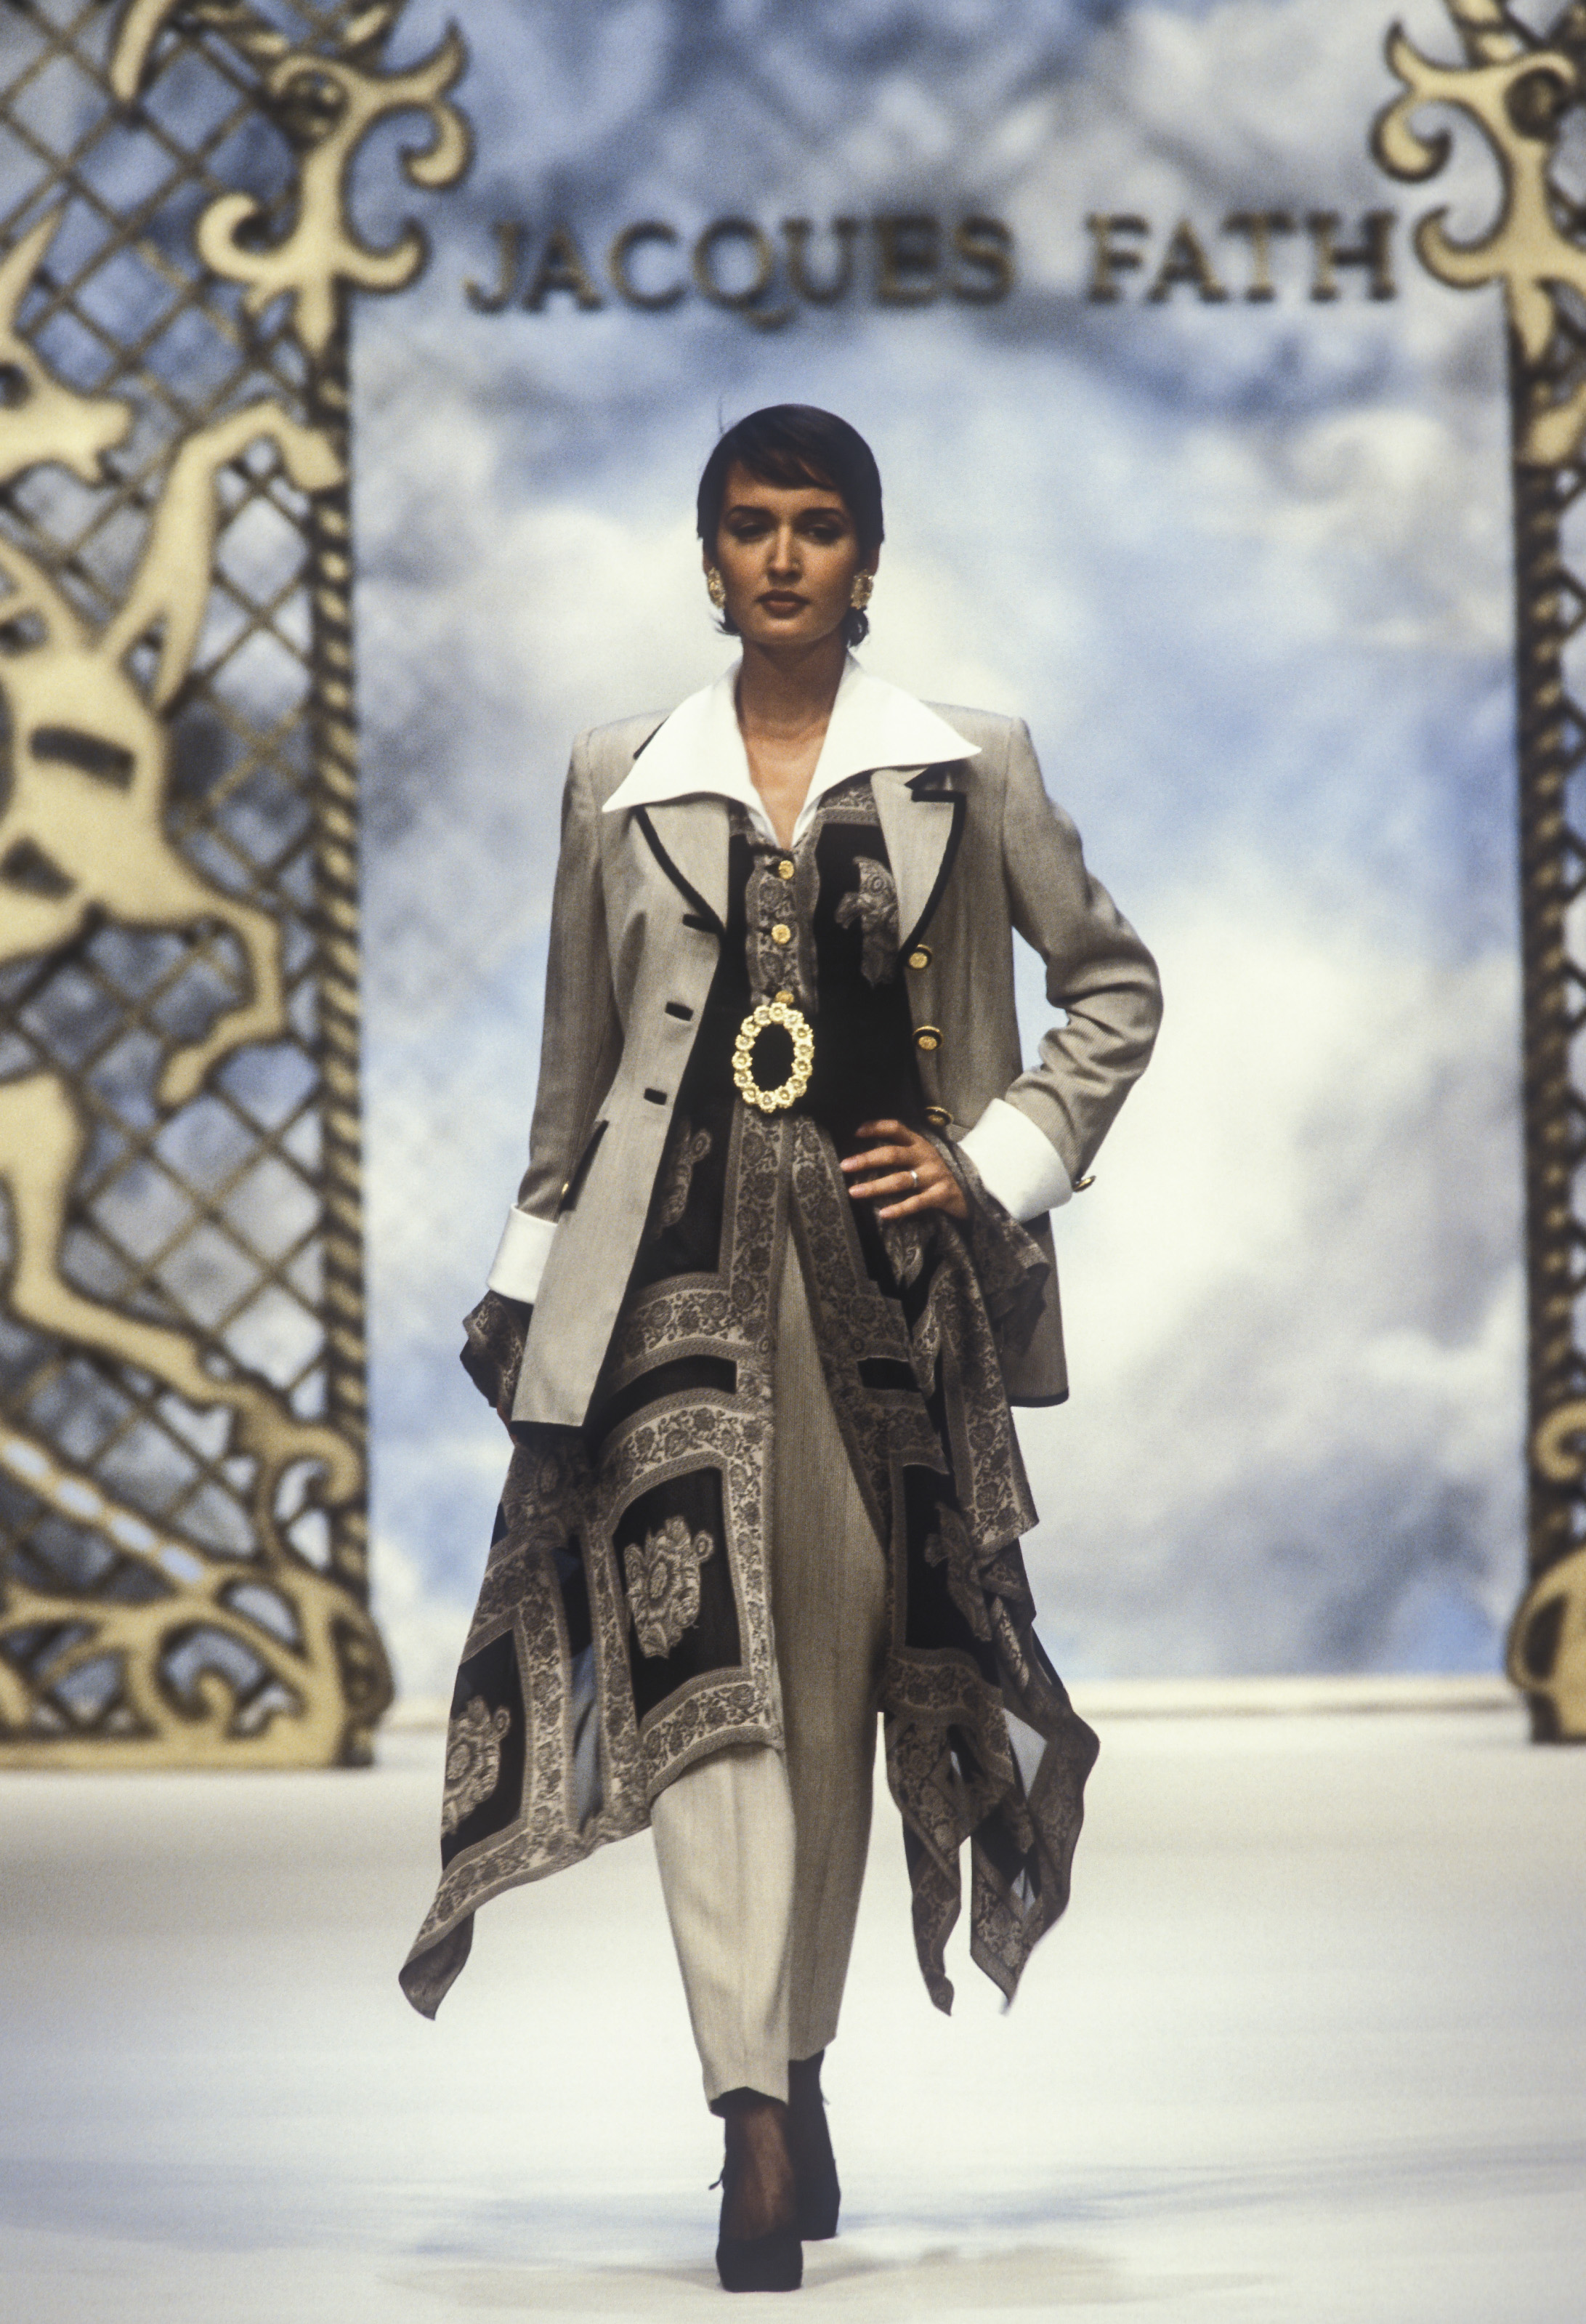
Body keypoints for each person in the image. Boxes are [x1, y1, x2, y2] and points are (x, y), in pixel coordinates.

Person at [400, 406, 1162, 2291]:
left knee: (825, 1692)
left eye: (820, 525)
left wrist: (994, 1158)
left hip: (882, 1307)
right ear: (711, 556)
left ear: (868, 559)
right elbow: (575, 1079)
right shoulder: (616, 776)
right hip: (665, 1290)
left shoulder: (968, 767)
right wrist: (527, 1304)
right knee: (704, 1685)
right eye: (753, 525)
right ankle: (748, 2107)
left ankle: (798, 2060)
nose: (786, 556)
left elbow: (1113, 984)